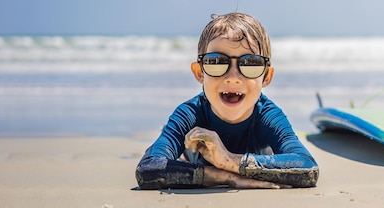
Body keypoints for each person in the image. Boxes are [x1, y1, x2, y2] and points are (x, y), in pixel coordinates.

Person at [135, 12, 319, 189]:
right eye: (216, 62)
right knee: (182, 149)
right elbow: (148, 168)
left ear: (266, 77)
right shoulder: (189, 114)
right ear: (200, 72)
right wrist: (224, 177)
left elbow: (307, 166)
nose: (233, 77)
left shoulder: (268, 116)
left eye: (250, 63)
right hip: (192, 155)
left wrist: (228, 160)